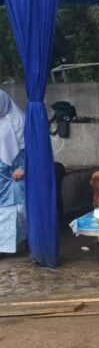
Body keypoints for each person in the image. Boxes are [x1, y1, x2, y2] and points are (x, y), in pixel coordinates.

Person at [0, 91, 25, 256]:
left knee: (17, 209)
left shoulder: (18, 120)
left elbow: (26, 146)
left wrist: (23, 166)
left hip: (14, 173)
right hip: (1, 173)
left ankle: (16, 243)